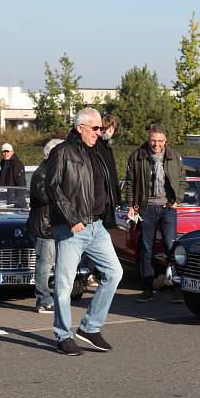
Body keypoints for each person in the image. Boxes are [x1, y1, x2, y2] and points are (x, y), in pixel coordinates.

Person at [45, 108, 123, 356]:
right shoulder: (62, 151)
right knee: (64, 285)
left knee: (115, 272)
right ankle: (63, 336)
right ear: (80, 128)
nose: (99, 132)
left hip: (96, 227)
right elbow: (52, 186)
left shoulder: (97, 151)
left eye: (101, 128)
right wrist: (71, 218)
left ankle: (90, 327)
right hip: (72, 228)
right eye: (95, 128)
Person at [125, 123, 187, 303]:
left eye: (160, 141)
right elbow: (130, 182)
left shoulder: (174, 155)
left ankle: (177, 288)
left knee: (171, 248)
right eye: (153, 140)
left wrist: (178, 200)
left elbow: (182, 179)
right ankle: (147, 289)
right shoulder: (138, 156)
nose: (156, 144)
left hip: (168, 208)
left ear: (165, 140)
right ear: (148, 139)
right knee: (147, 249)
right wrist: (131, 204)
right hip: (147, 208)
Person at [83, 113, 121, 288]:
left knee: (98, 239)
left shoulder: (103, 146)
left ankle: (94, 272)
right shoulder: (99, 147)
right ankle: (89, 273)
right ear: (111, 128)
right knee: (94, 239)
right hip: (100, 204)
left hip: (104, 203)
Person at [27, 138, 64, 314]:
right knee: (44, 264)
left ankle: (56, 297)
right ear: (51, 154)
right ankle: (42, 300)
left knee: (57, 263)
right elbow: (43, 197)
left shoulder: (53, 172)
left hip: (54, 225)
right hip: (44, 227)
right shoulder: (41, 173)